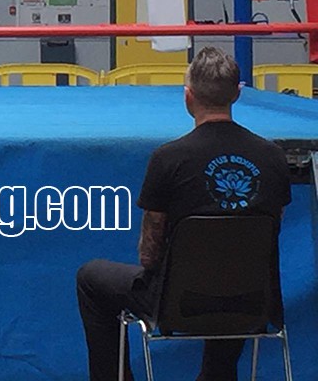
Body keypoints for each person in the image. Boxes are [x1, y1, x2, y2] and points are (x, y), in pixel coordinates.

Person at [76, 47, 292, 381]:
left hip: (177, 305)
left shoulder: (168, 158)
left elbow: (149, 255)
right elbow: (268, 234)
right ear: (237, 93)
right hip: (255, 305)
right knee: (236, 272)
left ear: (187, 97)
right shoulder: (273, 157)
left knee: (91, 278)